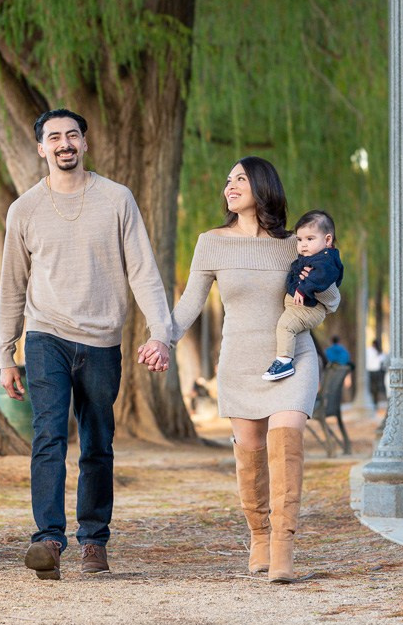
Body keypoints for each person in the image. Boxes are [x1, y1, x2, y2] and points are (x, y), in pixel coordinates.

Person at [142, 156, 339, 584]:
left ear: (263, 186)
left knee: (285, 438)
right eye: (228, 180)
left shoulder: (293, 245)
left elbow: (328, 295)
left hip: (292, 357)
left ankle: (285, 545)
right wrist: (162, 338)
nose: (229, 186)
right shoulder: (210, 242)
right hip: (240, 361)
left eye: (241, 179)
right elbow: (190, 303)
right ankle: (261, 536)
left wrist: (317, 292)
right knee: (250, 454)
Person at [0, 108, 173, 582]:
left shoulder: (116, 199)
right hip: (44, 335)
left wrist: (162, 332)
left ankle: (94, 540)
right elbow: (12, 286)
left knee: (98, 441)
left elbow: (143, 270)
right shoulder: (25, 210)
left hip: (101, 339)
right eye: (54, 137)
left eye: (72, 135)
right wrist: (4, 353)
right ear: (41, 149)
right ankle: (48, 541)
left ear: (84, 143)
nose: (64, 143)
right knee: (48, 435)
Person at [261, 209, 343, 382]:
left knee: (286, 326)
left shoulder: (326, 260)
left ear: (327, 240)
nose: (303, 245)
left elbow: (322, 278)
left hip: (310, 308)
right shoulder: (312, 256)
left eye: (310, 239)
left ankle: (284, 362)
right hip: (301, 307)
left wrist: (302, 288)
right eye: (299, 239)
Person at [366, 339, 388, 406]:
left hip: (371, 371)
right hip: (375, 371)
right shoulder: (375, 352)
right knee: (375, 387)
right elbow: (383, 359)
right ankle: (374, 401)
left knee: (373, 387)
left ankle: (374, 401)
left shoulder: (370, 351)